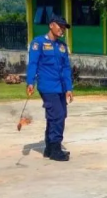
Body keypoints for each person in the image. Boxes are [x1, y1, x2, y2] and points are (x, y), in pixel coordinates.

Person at [26, 15, 74, 162]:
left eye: (64, 27)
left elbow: (66, 68)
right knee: (58, 116)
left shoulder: (62, 46)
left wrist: (69, 88)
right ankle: (55, 150)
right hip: (47, 86)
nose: (63, 30)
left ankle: (48, 148)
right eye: (60, 26)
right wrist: (30, 82)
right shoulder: (38, 43)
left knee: (57, 115)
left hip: (60, 87)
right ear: (51, 25)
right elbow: (33, 63)